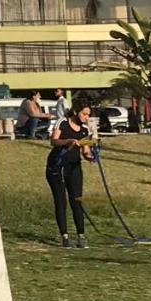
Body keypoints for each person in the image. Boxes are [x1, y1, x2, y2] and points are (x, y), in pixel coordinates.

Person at [46, 98, 94, 248]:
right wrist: (68, 141)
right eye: (84, 114)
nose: (86, 118)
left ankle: (81, 236)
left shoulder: (85, 130)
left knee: (77, 200)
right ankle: (64, 236)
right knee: (61, 201)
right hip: (57, 166)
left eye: (88, 115)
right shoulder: (63, 122)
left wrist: (91, 156)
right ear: (76, 112)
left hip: (73, 167)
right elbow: (53, 141)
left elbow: (86, 151)